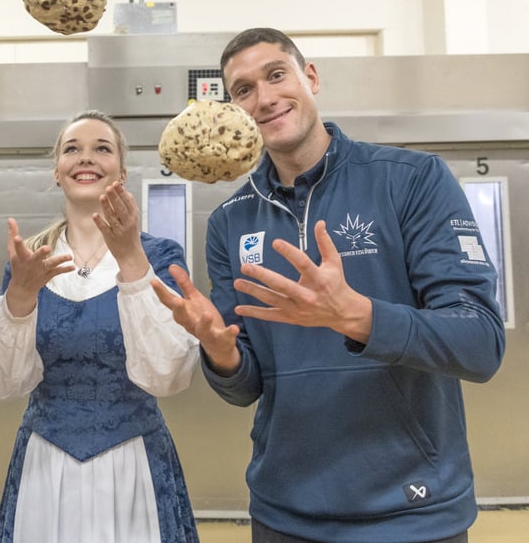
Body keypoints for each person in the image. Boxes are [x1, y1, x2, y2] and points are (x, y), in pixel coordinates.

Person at [152, 27, 506, 543]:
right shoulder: (230, 221)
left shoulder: (411, 179)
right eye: (243, 90)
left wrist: (359, 317)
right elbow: (245, 387)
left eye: (276, 75)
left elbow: (480, 343)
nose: (264, 98)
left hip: (412, 512)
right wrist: (220, 352)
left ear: (311, 77)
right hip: (284, 513)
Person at [0, 110, 201, 543]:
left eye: (102, 148)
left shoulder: (160, 256)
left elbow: (169, 375)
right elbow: (2, 383)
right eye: (72, 149)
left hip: (134, 464)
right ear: (56, 171)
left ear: (121, 171)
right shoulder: (31, 262)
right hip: (46, 468)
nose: (86, 158)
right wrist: (19, 296)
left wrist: (131, 259)